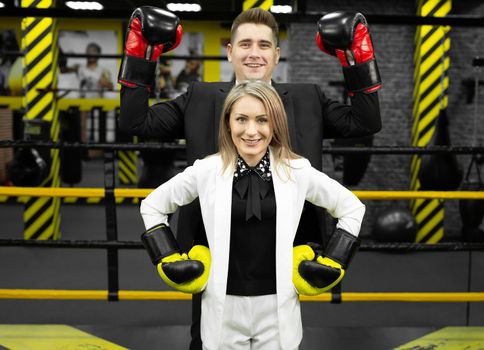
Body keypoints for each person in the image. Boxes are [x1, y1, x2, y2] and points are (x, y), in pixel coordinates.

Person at [118, 6, 381, 349]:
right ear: (230, 51)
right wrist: (141, 55)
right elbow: (135, 122)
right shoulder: (200, 98)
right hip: (210, 255)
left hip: (283, 256)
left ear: (276, 54)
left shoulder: (305, 99)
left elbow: (366, 123)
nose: (253, 53)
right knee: (206, 339)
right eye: (244, 44)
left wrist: (355, 59)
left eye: (262, 44)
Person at [140, 80, 365, 350]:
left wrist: (334, 259)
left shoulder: (296, 170)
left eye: (262, 120)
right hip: (222, 306)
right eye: (241, 119)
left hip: (278, 307)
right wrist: (167, 256)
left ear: (276, 124)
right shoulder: (206, 170)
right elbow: (152, 205)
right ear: (227, 124)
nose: (251, 130)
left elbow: (352, 208)